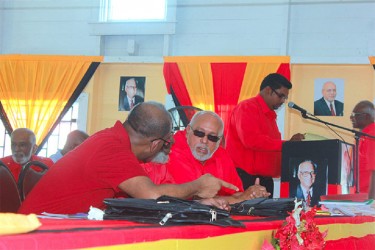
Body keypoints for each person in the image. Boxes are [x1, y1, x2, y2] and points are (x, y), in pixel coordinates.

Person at [19, 102, 238, 214]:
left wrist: (195, 206)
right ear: (154, 143)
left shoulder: (112, 140)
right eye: (166, 143)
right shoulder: (113, 150)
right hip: (38, 235)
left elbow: (137, 200)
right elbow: (151, 195)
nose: (169, 150)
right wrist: (198, 186)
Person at [143, 111, 270, 204]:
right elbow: (160, 198)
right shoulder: (165, 151)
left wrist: (251, 194)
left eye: (212, 137)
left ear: (219, 140)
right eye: (199, 133)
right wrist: (236, 199)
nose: (204, 141)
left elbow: (237, 194)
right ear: (188, 131)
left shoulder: (222, 155)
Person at [225, 73, 305, 197]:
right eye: (281, 96)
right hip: (245, 179)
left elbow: (270, 147)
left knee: (267, 216)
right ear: (268, 90)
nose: (283, 101)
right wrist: (287, 145)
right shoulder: (247, 108)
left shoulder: (270, 115)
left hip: (265, 180)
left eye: (285, 98)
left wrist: (290, 146)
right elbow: (252, 140)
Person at [350, 100, 375, 193]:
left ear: (366, 116)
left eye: (355, 114)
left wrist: (371, 203)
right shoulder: (362, 136)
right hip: (360, 194)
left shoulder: (372, 135)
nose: (351, 118)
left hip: (368, 198)